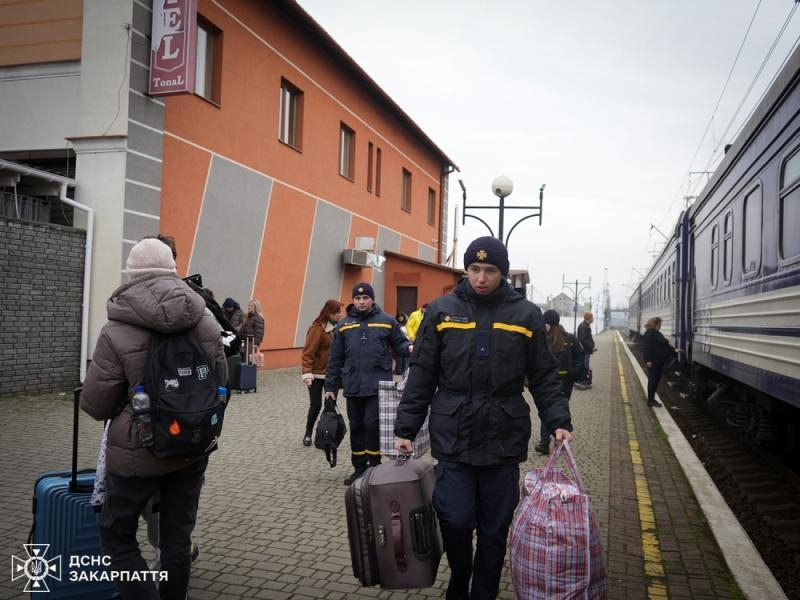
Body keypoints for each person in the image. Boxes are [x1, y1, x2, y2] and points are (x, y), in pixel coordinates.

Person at [394, 236, 573, 600]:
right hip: (453, 433)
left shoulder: (525, 315)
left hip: (503, 434)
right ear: (466, 270)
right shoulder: (442, 311)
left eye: (490, 270)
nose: (481, 277)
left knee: (495, 529)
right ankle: (461, 575)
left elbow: (542, 375)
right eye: (474, 269)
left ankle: (484, 592)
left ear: (502, 273)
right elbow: (423, 373)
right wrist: (405, 429)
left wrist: (558, 420)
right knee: (455, 520)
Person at [81, 238, 227, 600]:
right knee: (176, 539)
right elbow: (220, 381)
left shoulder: (116, 329)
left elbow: (97, 404)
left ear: (131, 274)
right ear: (173, 270)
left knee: (117, 536)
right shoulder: (205, 320)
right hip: (192, 446)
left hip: (136, 454)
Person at [325, 282, 411, 485]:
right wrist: (330, 387)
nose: (361, 302)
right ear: (353, 300)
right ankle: (359, 468)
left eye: (365, 298)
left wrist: (409, 347)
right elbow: (335, 358)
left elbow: (400, 344)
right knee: (356, 426)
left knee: (371, 425)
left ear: (372, 299)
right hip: (353, 385)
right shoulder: (344, 324)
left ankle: (374, 465)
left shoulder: (386, 321)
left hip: (377, 386)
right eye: (358, 298)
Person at [535, 309, 583, 455]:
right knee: (560, 407)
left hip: (550, 380)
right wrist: (574, 373)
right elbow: (580, 357)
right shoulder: (569, 338)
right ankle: (558, 440)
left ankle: (545, 441)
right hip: (565, 380)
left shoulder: (544, 339)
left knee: (548, 407)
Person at [301, 299, 345, 446]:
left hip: (333, 375)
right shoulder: (317, 329)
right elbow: (308, 353)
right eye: (337, 312)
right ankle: (308, 433)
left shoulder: (340, 328)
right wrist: (307, 373)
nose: (341, 315)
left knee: (330, 406)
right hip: (316, 375)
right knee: (315, 405)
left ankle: (326, 435)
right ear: (329, 313)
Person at [643, 316, 681, 407]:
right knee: (653, 380)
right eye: (659, 324)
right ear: (655, 324)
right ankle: (650, 401)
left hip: (657, 362)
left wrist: (674, 350)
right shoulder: (651, 334)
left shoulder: (654, 333)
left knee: (655, 380)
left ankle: (651, 399)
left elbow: (664, 346)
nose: (660, 326)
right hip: (653, 362)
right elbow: (647, 348)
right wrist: (648, 360)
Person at [576, 311, 597, 390]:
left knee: (585, 365)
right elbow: (583, 340)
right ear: (588, 318)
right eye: (592, 317)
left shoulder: (586, 326)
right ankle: (583, 382)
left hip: (586, 350)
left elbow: (585, 339)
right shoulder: (584, 327)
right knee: (585, 366)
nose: (593, 318)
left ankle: (586, 382)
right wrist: (591, 347)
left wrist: (591, 347)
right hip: (584, 350)